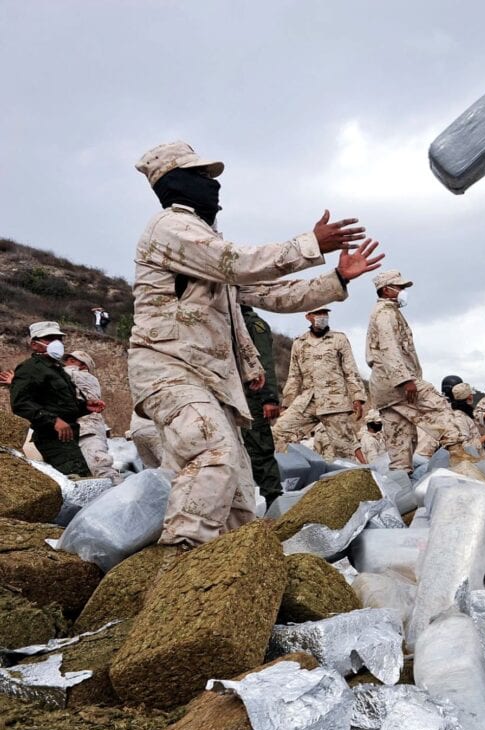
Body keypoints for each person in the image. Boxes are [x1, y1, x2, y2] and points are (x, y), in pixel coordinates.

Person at [129, 140, 383, 549]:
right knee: (214, 454)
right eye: (201, 176)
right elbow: (237, 262)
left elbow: (275, 294)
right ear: (175, 182)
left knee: (239, 500)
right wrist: (310, 244)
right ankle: (175, 566)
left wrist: (338, 280)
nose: (212, 185)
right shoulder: (171, 228)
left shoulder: (205, 243)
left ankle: (229, 578)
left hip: (212, 382)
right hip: (169, 370)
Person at [365, 269, 457, 473]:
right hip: (396, 383)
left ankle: (401, 482)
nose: (402, 291)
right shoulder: (386, 314)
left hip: (383, 389)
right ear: (386, 290)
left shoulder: (385, 312)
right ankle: (460, 453)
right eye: (399, 287)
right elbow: (389, 348)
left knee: (400, 437)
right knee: (438, 407)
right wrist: (405, 380)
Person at [274, 307, 367, 463]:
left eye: (325, 313)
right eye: (318, 314)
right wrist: (286, 404)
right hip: (307, 401)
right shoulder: (300, 343)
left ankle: (361, 476)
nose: (322, 317)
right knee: (279, 431)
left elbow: (350, 370)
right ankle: (288, 471)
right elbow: (294, 376)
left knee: (345, 448)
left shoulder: (339, 339)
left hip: (334, 402)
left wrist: (358, 397)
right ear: (308, 317)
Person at [9, 322, 102, 475]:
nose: (57, 343)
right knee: (81, 479)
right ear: (34, 344)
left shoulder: (56, 369)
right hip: (52, 437)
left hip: (68, 436)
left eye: (59, 339)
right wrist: (54, 421)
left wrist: (85, 407)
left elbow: (60, 405)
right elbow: (20, 404)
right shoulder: (30, 369)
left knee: (82, 481)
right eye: (50, 339)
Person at [238, 305, 284, 507]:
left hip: (253, 398)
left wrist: (269, 398)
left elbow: (263, 362)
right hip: (234, 398)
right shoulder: (227, 323)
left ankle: (274, 503)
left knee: (260, 451)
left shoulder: (252, 325)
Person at [62, 350, 122, 483]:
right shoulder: (70, 378)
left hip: (88, 428)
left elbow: (52, 378)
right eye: (66, 361)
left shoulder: (83, 376)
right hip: (77, 428)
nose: (66, 364)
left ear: (83, 366)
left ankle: (122, 495)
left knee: (100, 464)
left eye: (72, 361)